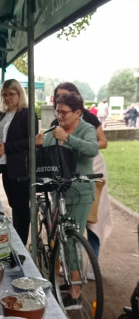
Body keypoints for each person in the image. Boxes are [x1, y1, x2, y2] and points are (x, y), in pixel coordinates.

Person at [36, 92, 98, 307]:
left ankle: (75, 293)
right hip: (58, 193)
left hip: (80, 194)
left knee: (71, 240)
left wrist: (68, 138)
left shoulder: (86, 129)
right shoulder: (54, 131)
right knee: (61, 239)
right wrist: (38, 145)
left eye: (64, 112)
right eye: (57, 112)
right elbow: (46, 158)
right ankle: (68, 280)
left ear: (78, 113)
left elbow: (92, 149)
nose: (59, 116)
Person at [51, 82, 112, 270]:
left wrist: (72, 142)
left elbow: (99, 145)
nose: (60, 110)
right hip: (63, 179)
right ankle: (64, 265)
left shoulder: (88, 122)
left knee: (92, 223)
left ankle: (90, 268)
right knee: (61, 226)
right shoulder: (57, 124)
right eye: (57, 101)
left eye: (66, 97)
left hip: (90, 172)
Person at [0, 79, 38, 246]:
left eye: (11, 94)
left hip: (21, 168)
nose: (8, 98)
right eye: (4, 94)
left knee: (22, 208)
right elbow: (0, 137)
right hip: (5, 166)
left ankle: (21, 244)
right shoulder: (3, 113)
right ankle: (16, 240)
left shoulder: (27, 113)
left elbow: (32, 141)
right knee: (14, 204)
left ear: (19, 94)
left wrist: (7, 147)